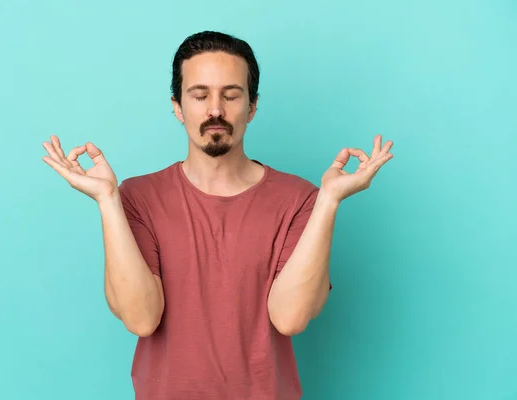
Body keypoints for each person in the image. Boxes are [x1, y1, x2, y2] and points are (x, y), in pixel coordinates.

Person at [42, 31, 393, 400]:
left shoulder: (300, 200)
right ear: (178, 106)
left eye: (231, 95)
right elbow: (141, 318)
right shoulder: (139, 197)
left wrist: (329, 200)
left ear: (252, 106)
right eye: (200, 95)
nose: (215, 109)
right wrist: (107, 199)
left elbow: (290, 317)